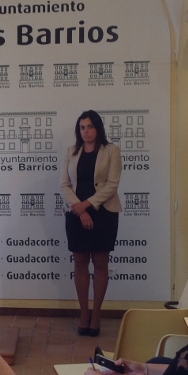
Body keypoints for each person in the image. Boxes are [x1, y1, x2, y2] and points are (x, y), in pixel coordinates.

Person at [59, 110, 122, 336]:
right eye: (82, 127)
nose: (86, 131)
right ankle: (84, 313)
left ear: (98, 128)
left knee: (101, 263)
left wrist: (86, 205)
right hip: (76, 213)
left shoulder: (111, 151)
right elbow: (64, 184)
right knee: (80, 263)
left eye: (90, 126)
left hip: (103, 213)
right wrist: (79, 208)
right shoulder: (71, 151)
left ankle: (96, 314)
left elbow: (112, 185)